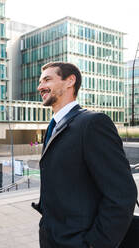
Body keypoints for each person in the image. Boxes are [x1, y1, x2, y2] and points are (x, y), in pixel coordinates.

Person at [32, 62, 137, 248]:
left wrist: (95, 244)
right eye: (40, 82)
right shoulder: (53, 127)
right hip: (51, 238)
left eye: (47, 79)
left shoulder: (93, 123)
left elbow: (122, 194)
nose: (40, 87)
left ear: (70, 81)